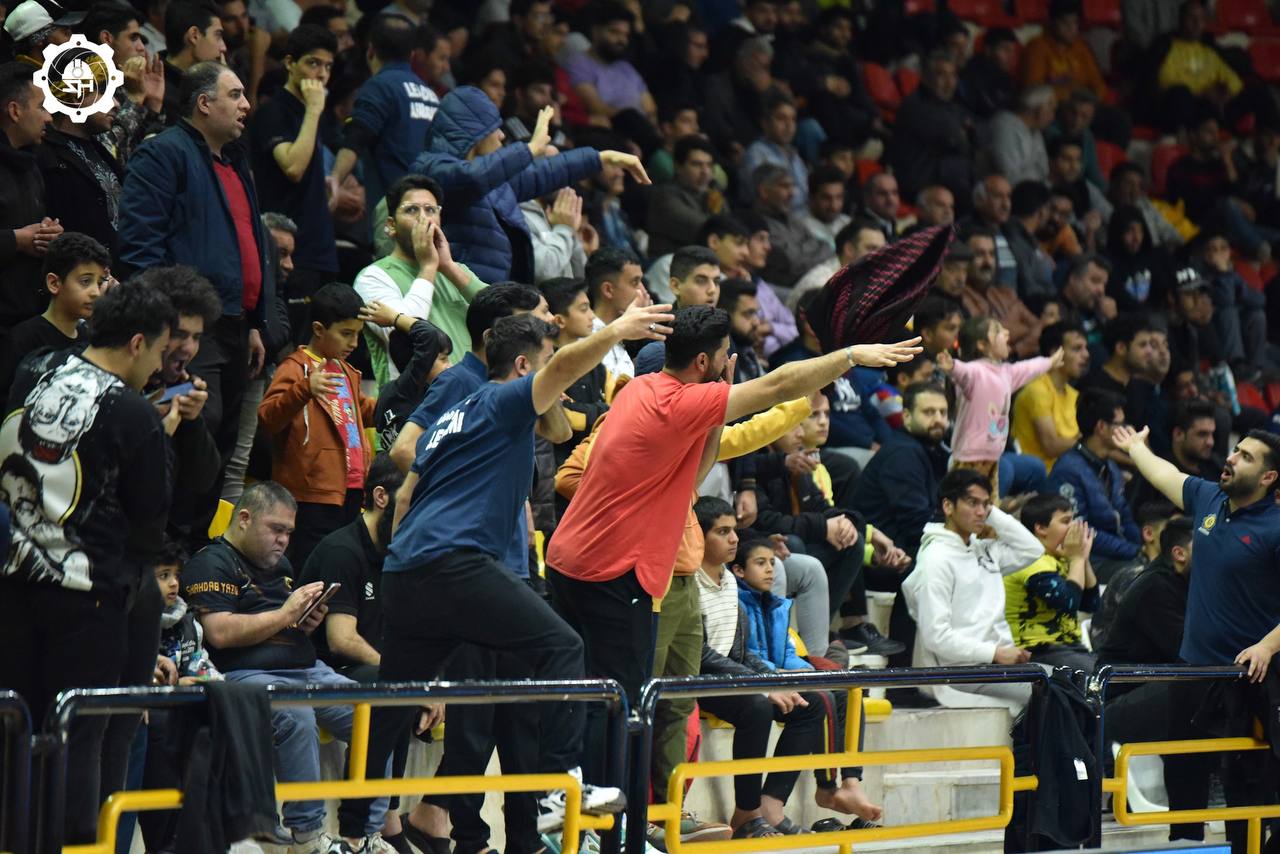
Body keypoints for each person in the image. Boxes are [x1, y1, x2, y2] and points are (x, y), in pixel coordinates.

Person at [547, 303, 921, 781]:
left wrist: (717, 407)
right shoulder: (682, 401)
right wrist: (848, 356)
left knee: (591, 695)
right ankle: (603, 808)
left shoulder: (641, 390)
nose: (729, 364)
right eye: (725, 355)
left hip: (571, 563)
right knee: (618, 701)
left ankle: (573, 800)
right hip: (613, 573)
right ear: (704, 361)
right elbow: (777, 385)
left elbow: (691, 477)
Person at [353, 303, 676, 852]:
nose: (554, 375)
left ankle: (350, 825)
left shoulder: (453, 416)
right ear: (524, 365)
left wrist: (403, 561)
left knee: (396, 695)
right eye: (545, 363)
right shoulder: (504, 400)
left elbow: (404, 497)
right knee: (564, 647)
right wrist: (618, 330)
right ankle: (557, 789)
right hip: (457, 563)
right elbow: (563, 369)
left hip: (406, 570)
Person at [0, 281, 174, 845]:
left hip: (12, 583)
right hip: (88, 599)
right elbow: (151, 521)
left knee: (16, 734)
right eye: (159, 352)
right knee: (78, 742)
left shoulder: (33, 368)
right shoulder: (134, 413)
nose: (158, 367)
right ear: (138, 342)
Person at [181, 481, 392, 854]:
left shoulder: (281, 566)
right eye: (275, 529)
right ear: (244, 519)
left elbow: (283, 625)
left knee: (378, 715)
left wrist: (303, 623)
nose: (283, 540)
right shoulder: (210, 562)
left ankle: (364, 835)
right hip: (245, 673)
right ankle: (307, 837)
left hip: (306, 668)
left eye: (289, 532)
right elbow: (219, 633)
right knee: (297, 717)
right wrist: (285, 614)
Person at [118, 61, 271, 464]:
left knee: (224, 440)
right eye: (235, 95)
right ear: (204, 103)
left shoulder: (235, 162)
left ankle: (204, 514)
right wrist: (166, 325)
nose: (246, 105)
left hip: (237, 326)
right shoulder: (163, 153)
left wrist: (255, 321)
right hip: (187, 328)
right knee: (192, 427)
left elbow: (248, 247)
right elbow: (139, 247)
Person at [411, 86, 649, 284]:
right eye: (494, 129)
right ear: (474, 133)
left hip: (496, 297)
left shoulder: (494, 178)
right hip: (456, 296)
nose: (501, 136)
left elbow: (543, 173)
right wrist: (530, 149)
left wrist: (599, 158)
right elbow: (471, 178)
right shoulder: (432, 168)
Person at [731, 536, 884, 832]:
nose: (770, 570)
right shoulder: (736, 602)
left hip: (777, 678)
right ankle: (822, 789)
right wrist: (783, 675)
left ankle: (851, 782)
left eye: (772, 563)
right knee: (820, 699)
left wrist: (807, 671)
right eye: (760, 563)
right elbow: (744, 655)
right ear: (738, 570)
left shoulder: (775, 604)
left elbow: (786, 652)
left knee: (846, 693)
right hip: (752, 683)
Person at [1095, 516, 1209, 843]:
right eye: (1206, 548)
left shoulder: (1190, 585)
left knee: (1200, 695)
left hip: (1159, 691)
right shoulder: (1154, 587)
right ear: (1179, 553)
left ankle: (1194, 832)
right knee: (1196, 691)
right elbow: (1188, 652)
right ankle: (1188, 835)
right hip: (1117, 703)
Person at [902, 469, 1044, 713]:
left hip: (999, 665)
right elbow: (936, 636)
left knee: (1071, 684)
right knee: (1052, 694)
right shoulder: (936, 560)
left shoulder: (983, 549)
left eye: (985, 504)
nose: (981, 512)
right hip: (963, 672)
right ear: (948, 506)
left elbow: (1032, 549)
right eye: (972, 503)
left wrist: (992, 514)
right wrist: (994, 653)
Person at [259, 283, 376, 570]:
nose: (354, 343)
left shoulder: (347, 371)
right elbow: (268, 417)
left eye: (357, 334)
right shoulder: (295, 367)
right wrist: (304, 389)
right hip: (312, 494)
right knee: (310, 568)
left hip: (351, 489)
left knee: (340, 566)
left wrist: (407, 403)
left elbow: (364, 412)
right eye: (346, 333)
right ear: (319, 329)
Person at [388, 284, 552, 473]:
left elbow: (559, 433)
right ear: (490, 337)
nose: (532, 339)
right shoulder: (457, 381)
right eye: (522, 330)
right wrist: (455, 491)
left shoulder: (510, 384)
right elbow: (404, 450)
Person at [354, 175, 487, 386]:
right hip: (416, 401)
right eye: (411, 210)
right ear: (391, 225)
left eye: (431, 210)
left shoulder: (456, 270)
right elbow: (405, 336)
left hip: (472, 396)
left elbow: (503, 313)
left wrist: (448, 266)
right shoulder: (372, 277)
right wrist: (428, 267)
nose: (423, 218)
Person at [247, 24, 338, 306]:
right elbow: (293, 168)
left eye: (328, 66)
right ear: (289, 63)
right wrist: (314, 110)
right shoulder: (273, 112)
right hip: (289, 253)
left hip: (319, 248)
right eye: (313, 63)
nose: (321, 74)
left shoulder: (311, 111)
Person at [329, 14, 439, 223]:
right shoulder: (431, 96)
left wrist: (335, 178)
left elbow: (356, 137)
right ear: (412, 54)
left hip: (395, 215)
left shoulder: (379, 87)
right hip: (431, 214)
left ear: (370, 50)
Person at [938, 317, 1058, 497]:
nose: (1007, 333)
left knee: (987, 507)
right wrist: (952, 366)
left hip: (993, 458)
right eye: (998, 331)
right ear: (982, 345)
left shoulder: (1007, 373)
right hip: (967, 459)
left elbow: (1029, 368)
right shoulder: (976, 372)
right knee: (969, 508)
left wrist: (1050, 362)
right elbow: (963, 372)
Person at [1047, 389, 1143, 577]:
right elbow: (1081, 531)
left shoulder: (1110, 466)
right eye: (1120, 424)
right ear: (1101, 427)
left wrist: (1143, 547)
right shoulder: (1068, 471)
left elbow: (1125, 516)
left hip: (1117, 554)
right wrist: (1135, 551)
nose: (1126, 430)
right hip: (1086, 560)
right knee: (1143, 575)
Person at [0, 232, 106, 394]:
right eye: (86, 281)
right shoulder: (23, 339)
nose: (96, 293)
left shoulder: (89, 337)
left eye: (99, 283)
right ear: (54, 283)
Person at [1003, 494, 1098, 672]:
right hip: (1037, 651)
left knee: (1114, 671)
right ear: (1041, 528)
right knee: (1103, 677)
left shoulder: (1060, 557)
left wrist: (1083, 559)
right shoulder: (1028, 561)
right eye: (1066, 521)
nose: (1074, 527)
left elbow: (1090, 603)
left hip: (1068, 649)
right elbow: (1068, 603)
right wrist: (1077, 559)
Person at [0, 61, 61, 328]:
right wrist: (17, 240)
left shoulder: (31, 164)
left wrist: (48, 233)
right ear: (15, 111)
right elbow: (20, 235)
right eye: (41, 107)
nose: (49, 117)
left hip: (28, 316)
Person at [889, 49, 973, 204]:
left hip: (944, 178)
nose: (949, 82)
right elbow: (958, 141)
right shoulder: (915, 106)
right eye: (942, 75)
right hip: (920, 182)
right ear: (925, 77)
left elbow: (969, 137)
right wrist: (962, 136)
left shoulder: (952, 106)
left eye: (953, 75)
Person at [564, 0, 657, 127]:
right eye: (614, 32)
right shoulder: (578, 65)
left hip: (644, 130)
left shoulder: (626, 68)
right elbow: (597, 109)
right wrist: (636, 122)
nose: (622, 40)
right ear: (595, 31)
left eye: (625, 35)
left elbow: (650, 108)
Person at [1011, 321, 1089, 472]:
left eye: (1086, 348)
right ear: (1055, 353)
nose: (1086, 354)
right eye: (1077, 348)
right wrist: (1089, 443)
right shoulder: (1037, 390)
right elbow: (1051, 446)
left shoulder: (1074, 395)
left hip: (1069, 472)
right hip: (1037, 477)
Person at [958, 228, 1042, 358]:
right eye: (979, 254)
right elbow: (983, 335)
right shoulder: (960, 297)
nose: (988, 261)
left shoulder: (1006, 294)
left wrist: (1015, 351)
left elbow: (1040, 328)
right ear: (965, 259)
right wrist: (1025, 330)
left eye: (992, 254)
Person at [750, 163, 833, 290]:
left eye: (792, 186)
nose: (792, 193)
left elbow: (826, 248)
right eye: (784, 186)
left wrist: (801, 253)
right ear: (764, 191)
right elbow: (792, 262)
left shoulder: (793, 220)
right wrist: (808, 249)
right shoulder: (756, 225)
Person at [647, 135, 722, 258]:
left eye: (709, 165)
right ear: (678, 166)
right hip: (671, 265)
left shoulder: (712, 192)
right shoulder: (665, 196)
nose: (705, 172)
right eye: (697, 164)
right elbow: (707, 230)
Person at [789, 218, 886, 312]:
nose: (880, 255)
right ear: (849, 249)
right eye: (871, 248)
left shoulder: (865, 279)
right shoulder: (821, 285)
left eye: (883, 249)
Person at [1021, 0, 1107, 103]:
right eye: (1065, 23)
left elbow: (1097, 82)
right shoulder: (1038, 48)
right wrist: (1070, 95)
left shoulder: (1081, 47)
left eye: (1075, 23)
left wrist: (1094, 99)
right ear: (1052, 23)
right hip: (1053, 106)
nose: (1071, 28)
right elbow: (1034, 92)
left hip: (1083, 104)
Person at [738, 91, 809, 211]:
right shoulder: (756, 154)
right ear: (765, 123)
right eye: (781, 119)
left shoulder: (794, 154)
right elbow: (761, 199)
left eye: (793, 119)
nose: (789, 125)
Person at [159, 1, 227, 120]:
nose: (223, 47)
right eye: (218, 35)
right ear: (194, 35)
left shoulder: (204, 80)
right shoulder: (157, 91)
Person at [586, 246, 645, 378]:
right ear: (608, 290)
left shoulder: (623, 338)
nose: (642, 290)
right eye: (635, 282)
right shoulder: (586, 343)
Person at [986, 86, 1055, 185]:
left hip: (1033, 189)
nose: (1053, 116)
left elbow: (1044, 171)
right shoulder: (1004, 125)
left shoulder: (1036, 133)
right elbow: (1008, 174)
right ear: (1038, 109)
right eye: (1052, 109)